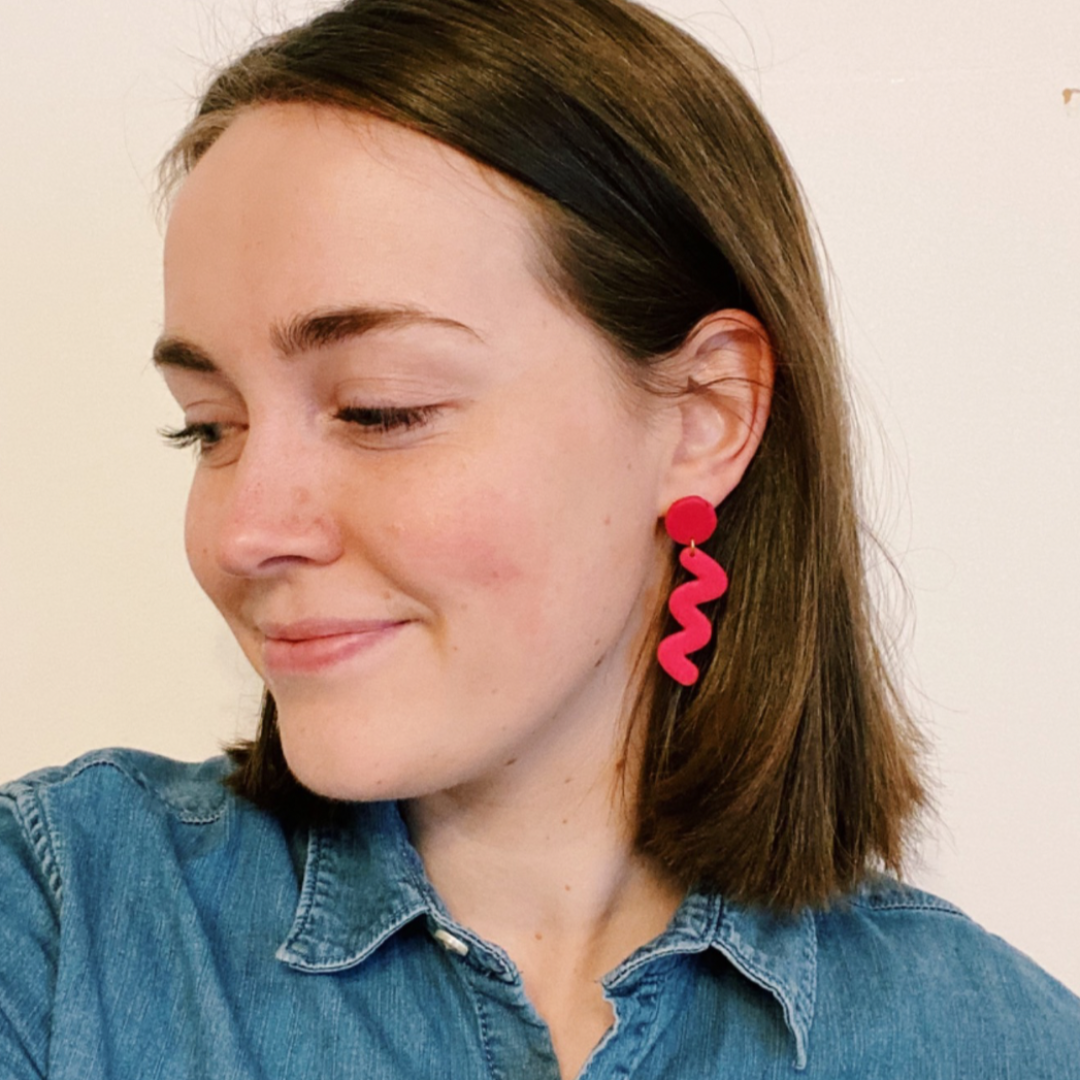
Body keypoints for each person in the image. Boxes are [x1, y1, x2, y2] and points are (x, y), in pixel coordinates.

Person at [1, 0, 1077, 1076]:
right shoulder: (53, 928)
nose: (243, 532)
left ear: (705, 414)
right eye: (210, 428)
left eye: (379, 409)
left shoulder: (1002, 1044)